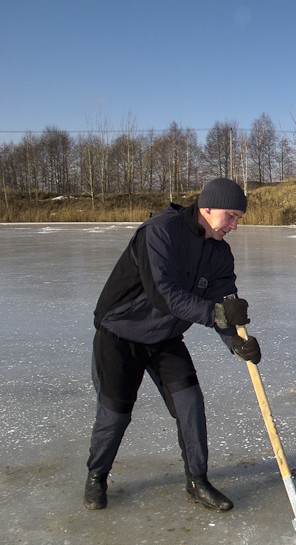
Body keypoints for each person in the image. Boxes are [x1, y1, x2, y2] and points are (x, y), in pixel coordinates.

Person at [84, 177, 262, 512]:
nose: (235, 225)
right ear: (206, 207)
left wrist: (238, 343)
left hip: (165, 338)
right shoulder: (160, 232)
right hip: (120, 334)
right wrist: (218, 314)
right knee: (116, 415)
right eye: (231, 216)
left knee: (190, 405)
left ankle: (198, 481)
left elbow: (224, 303)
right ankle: (97, 475)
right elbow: (164, 294)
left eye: (240, 217)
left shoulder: (220, 254)